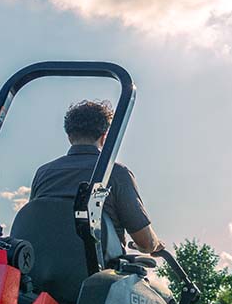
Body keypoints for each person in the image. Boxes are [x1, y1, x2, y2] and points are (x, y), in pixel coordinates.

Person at [30, 99, 162, 254]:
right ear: (104, 136)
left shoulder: (43, 173)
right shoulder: (116, 173)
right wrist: (155, 244)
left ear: (69, 136)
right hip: (99, 272)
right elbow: (145, 242)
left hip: (43, 269)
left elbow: (35, 223)